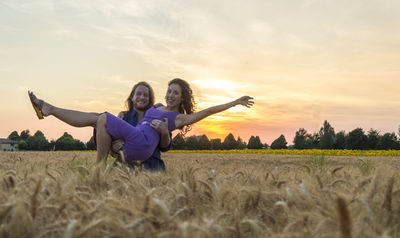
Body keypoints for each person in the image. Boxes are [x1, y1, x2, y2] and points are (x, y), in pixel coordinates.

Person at [28, 78, 254, 163]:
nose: (170, 95)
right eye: (169, 91)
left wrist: (234, 102)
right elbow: (131, 124)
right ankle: (49, 109)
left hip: (144, 146)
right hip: (135, 141)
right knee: (98, 119)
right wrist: (119, 143)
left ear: (182, 97)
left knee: (103, 118)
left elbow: (209, 111)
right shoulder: (155, 107)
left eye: (175, 93)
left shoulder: (178, 118)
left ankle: (99, 170)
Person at [100, 81, 171, 171]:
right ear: (132, 97)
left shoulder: (157, 115)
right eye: (138, 94)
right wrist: (114, 148)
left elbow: (165, 147)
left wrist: (165, 132)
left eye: (146, 95)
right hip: (125, 168)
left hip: (152, 167)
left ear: (150, 99)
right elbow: (113, 149)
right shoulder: (123, 117)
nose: (141, 97)